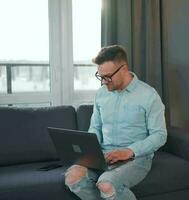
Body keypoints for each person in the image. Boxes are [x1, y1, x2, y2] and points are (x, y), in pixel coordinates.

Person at [64, 45, 167, 200]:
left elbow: (159, 135)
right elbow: (95, 127)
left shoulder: (149, 95)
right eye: (100, 76)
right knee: (72, 177)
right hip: (103, 155)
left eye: (107, 76)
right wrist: (91, 150)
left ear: (123, 69)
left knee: (106, 184)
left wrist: (129, 151)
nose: (104, 82)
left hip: (135, 158)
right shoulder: (101, 94)